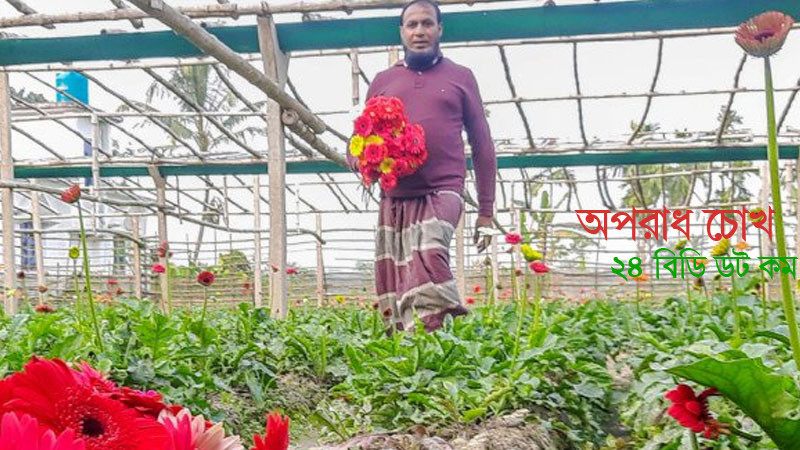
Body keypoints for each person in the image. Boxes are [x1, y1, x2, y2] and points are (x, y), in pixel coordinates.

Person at [348, 0, 496, 334]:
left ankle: (444, 330)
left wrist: (486, 210)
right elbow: (357, 140)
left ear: (439, 29)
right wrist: (362, 161)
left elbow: (483, 145)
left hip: (443, 189)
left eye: (427, 23)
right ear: (401, 32)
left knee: (430, 253)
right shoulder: (384, 80)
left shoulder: (461, 77)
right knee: (399, 277)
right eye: (411, 25)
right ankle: (419, 346)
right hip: (395, 197)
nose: (419, 31)